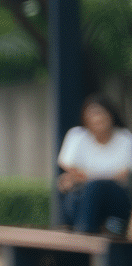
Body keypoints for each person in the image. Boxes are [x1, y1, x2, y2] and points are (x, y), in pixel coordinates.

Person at [56, 93, 132, 235]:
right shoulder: (77, 136)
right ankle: (82, 229)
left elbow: (121, 176)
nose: (97, 118)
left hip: (114, 205)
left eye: (100, 113)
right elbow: (68, 169)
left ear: (110, 114)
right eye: (92, 114)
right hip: (82, 200)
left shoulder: (125, 138)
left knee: (95, 187)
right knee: (77, 193)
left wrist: (83, 177)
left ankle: (85, 231)